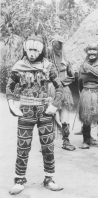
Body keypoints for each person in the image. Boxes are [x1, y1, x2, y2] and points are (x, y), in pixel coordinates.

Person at [6, 35, 63, 195]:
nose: (32, 53)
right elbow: (9, 87)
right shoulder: (18, 66)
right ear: (25, 48)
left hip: (45, 111)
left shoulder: (48, 66)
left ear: (41, 50)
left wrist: (55, 105)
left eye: (35, 50)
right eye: (29, 49)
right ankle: (19, 179)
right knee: (23, 147)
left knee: (48, 146)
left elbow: (60, 87)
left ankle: (49, 178)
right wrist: (11, 105)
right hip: (25, 112)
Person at [78, 43, 98, 149]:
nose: (91, 54)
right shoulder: (83, 65)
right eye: (89, 51)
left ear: (97, 53)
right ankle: (86, 141)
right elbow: (80, 80)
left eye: (93, 51)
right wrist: (83, 92)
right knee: (86, 118)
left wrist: (95, 78)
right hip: (86, 92)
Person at [48, 35, 76, 151]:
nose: (57, 46)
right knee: (49, 115)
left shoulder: (66, 60)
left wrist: (63, 82)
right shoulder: (47, 60)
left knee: (64, 116)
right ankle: (47, 143)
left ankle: (66, 141)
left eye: (60, 44)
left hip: (64, 91)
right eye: (55, 43)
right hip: (51, 90)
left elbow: (72, 76)